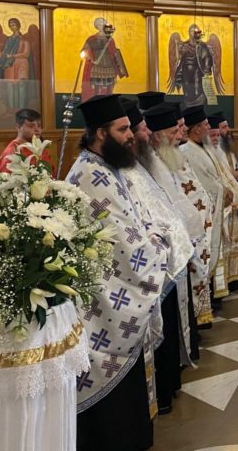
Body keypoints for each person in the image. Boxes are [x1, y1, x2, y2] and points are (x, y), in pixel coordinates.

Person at [67, 95, 167, 451]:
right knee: (112, 417)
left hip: (115, 296)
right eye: (122, 129)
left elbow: (131, 224)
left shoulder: (105, 167)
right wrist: (157, 246)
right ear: (99, 132)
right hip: (106, 303)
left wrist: (151, 236)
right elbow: (127, 245)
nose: (130, 136)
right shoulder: (91, 175)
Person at [122, 99, 194, 416]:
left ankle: (167, 386)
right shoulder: (128, 167)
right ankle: (161, 392)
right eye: (138, 129)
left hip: (163, 258)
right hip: (146, 266)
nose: (144, 133)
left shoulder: (144, 162)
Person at [143, 102, 216, 348]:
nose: (179, 136)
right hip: (171, 246)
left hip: (186, 239)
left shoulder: (168, 156)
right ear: (157, 136)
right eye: (174, 132)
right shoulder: (152, 161)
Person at [180, 106, 238, 299]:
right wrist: (223, 191)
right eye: (205, 125)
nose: (209, 127)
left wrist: (226, 190)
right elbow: (203, 183)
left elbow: (217, 176)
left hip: (215, 207)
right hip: (203, 213)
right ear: (196, 129)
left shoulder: (204, 148)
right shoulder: (188, 151)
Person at [0, 108, 52, 173]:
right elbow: (7, 180)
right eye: (31, 126)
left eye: (39, 126)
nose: (37, 129)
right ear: (18, 127)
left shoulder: (40, 148)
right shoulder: (12, 152)